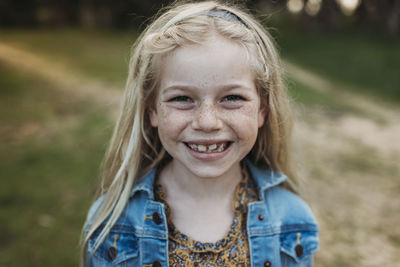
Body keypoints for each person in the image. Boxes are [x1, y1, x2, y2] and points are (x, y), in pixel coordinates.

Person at [81, 1, 319, 266]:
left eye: (231, 97)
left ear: (262, 109)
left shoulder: (291, 220)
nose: (207, 122)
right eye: (182, 98)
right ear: (152, 110)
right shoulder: (114, 224)